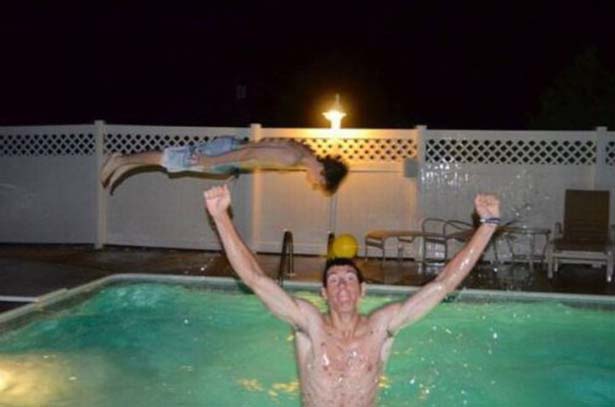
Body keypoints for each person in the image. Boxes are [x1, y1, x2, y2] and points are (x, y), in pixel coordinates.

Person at [203, 184, 501, 407]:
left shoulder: (382, 326)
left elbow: (443, 285)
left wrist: (487, 227)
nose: (342, 286)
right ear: (324, 292)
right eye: (334, 280)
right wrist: (220, 217)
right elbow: (255, 279)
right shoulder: (309, 323)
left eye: (349, 279)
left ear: (363, 290)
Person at [100, 136, 348, 194]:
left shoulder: (302, 153)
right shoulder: (292, 158)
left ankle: (126, 165)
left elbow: (256, 153)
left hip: (228, 154)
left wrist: (233, 169)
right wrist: (213, 161)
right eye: (320, 183)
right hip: (225, 153)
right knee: (171, 159)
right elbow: (249, 151)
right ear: (323, 173)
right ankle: (120, 160)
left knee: (172, 161)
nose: (315, 184)